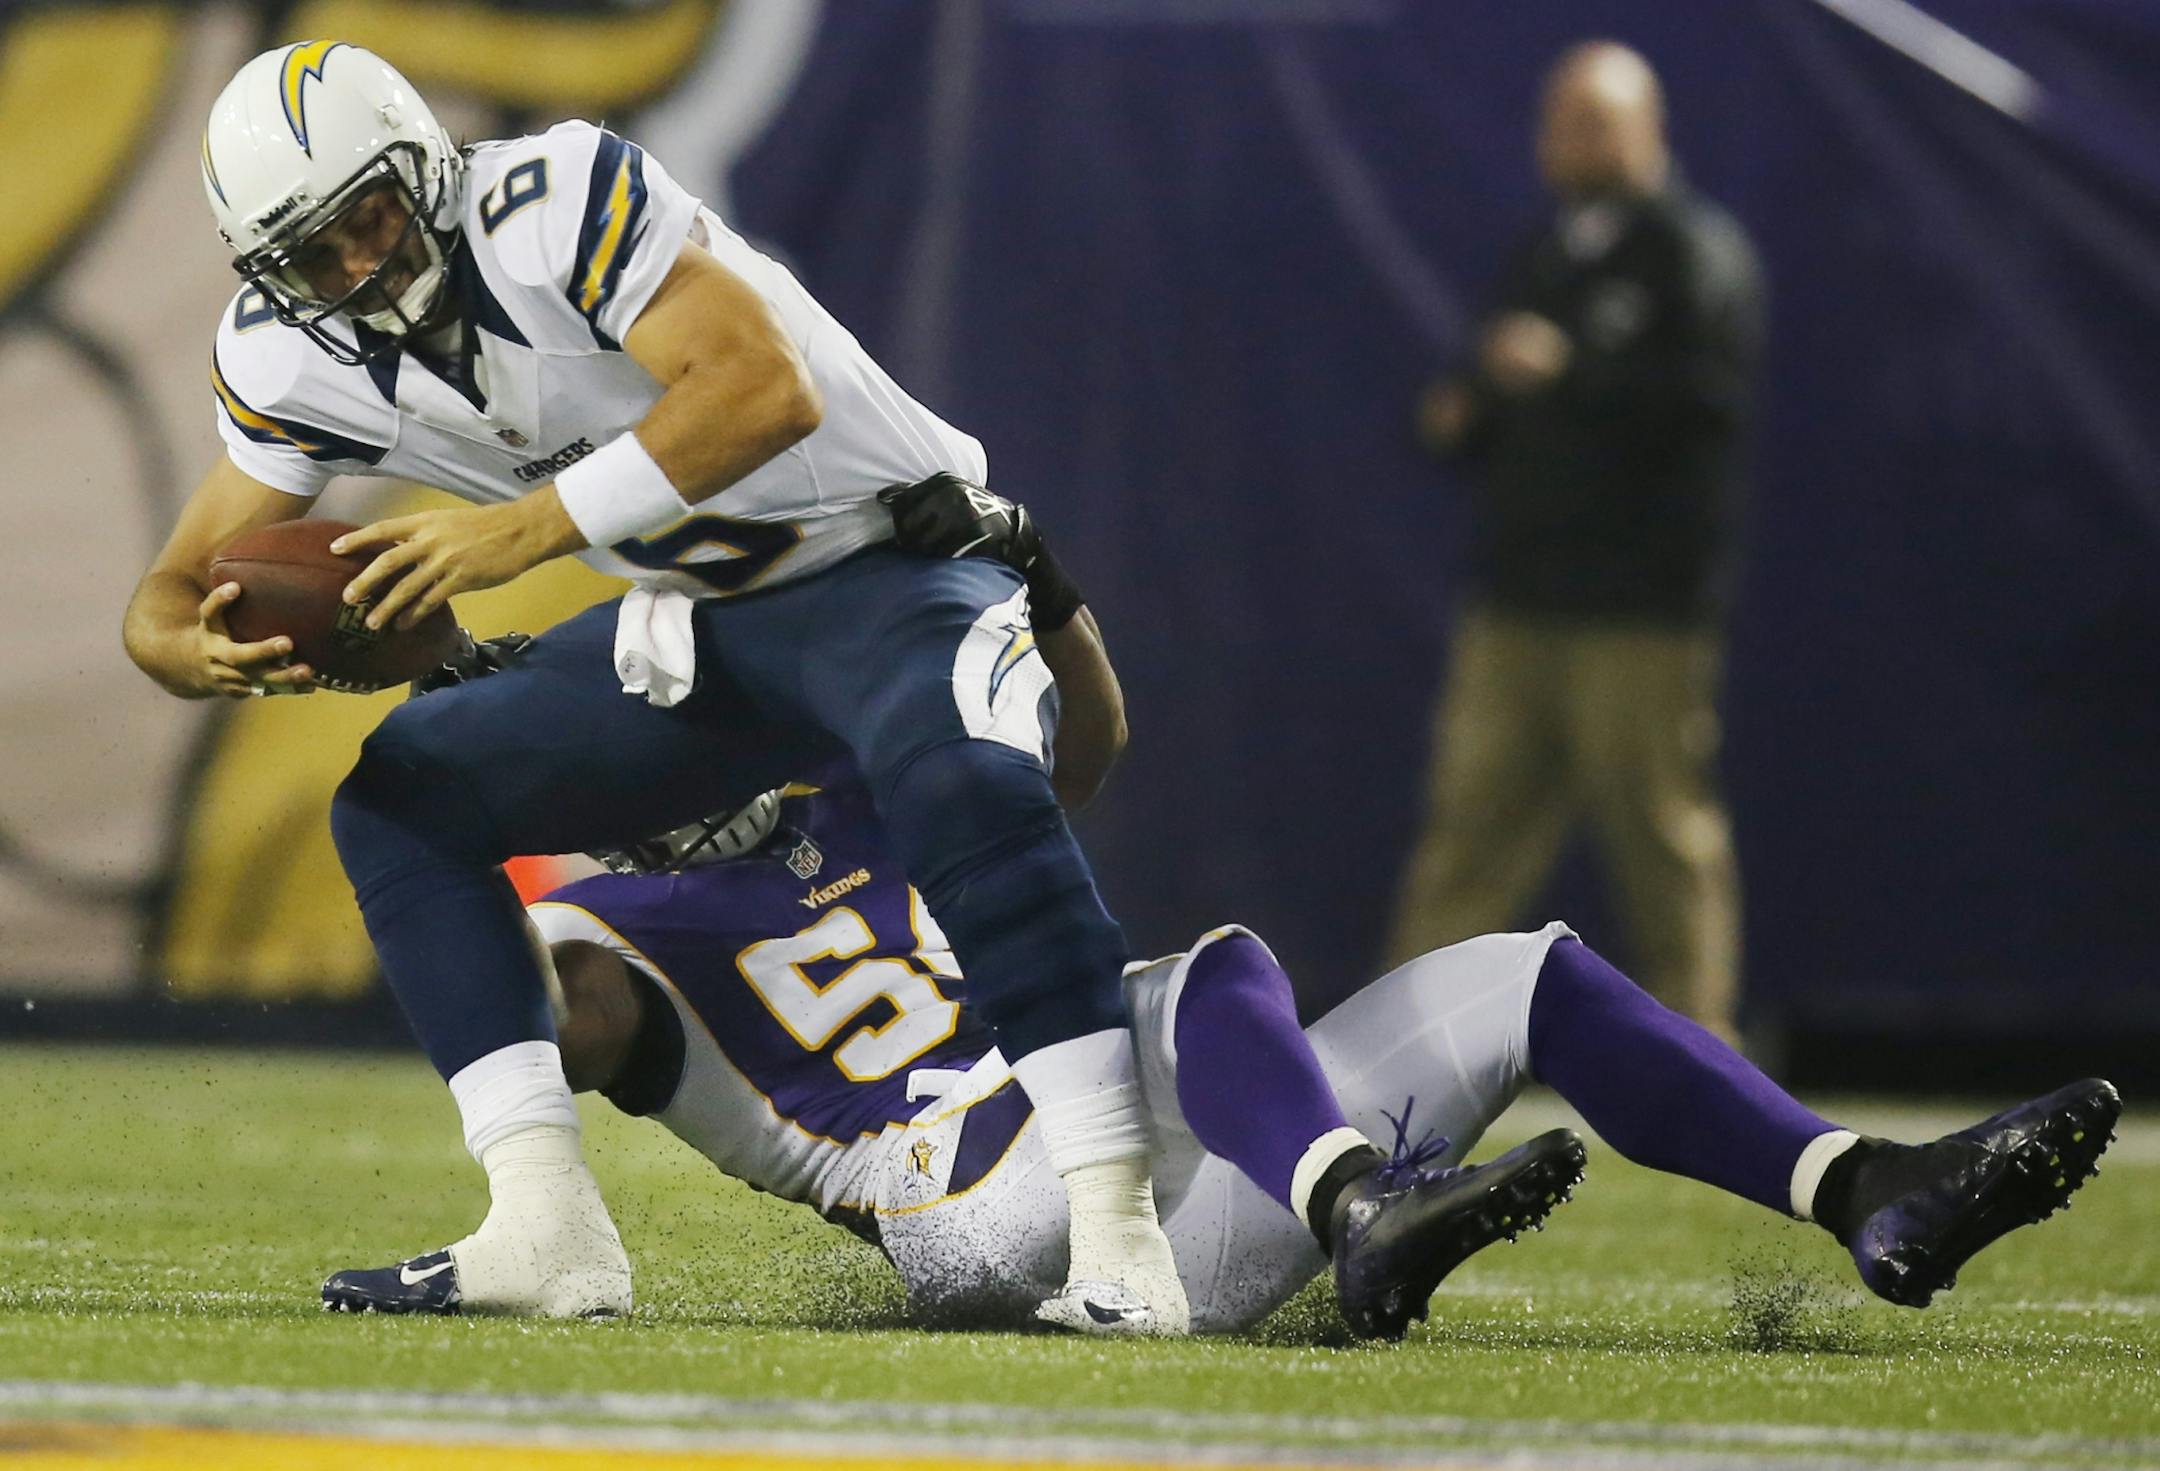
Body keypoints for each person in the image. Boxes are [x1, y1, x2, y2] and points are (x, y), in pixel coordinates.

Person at [323, 506, 2118, 1335]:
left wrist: (1055, 596)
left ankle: (1863, 1191)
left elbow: (1073, 762)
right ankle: (1361, 1205)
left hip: (1147, 1212)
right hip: (971, 1215)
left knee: (1525, 979)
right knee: (1198, 980)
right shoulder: (609, 918)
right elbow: (570, 1007)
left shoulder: (829, 766)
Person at [121, 42, 1179, 1331]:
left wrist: (518, 534)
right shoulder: (294, 352)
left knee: (960, 780)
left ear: (423, 170)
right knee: (405, 794)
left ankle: (1123, 1239)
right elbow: (169, 598)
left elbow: (758, 388)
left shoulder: (550, 199)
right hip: (702, 631)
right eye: (311, 255)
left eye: (371, 216)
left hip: (885, 563)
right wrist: (199, 651)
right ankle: (546, 1229)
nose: (354, 267)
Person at [1389, 42, 1764, 1041]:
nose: (1571, 141)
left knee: (1660, 839)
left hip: (1637, 614)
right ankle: (1401, 1060)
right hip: (1518, 602)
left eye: (1595, 120)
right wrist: (1469, 413)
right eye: (1559, 120)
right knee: (1467, 839)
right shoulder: (1548, 251)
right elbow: (1508, 397)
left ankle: (1706, 1064)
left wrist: (1572, 373)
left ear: (1650, 127)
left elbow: (1706, 405)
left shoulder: (1690, 251)